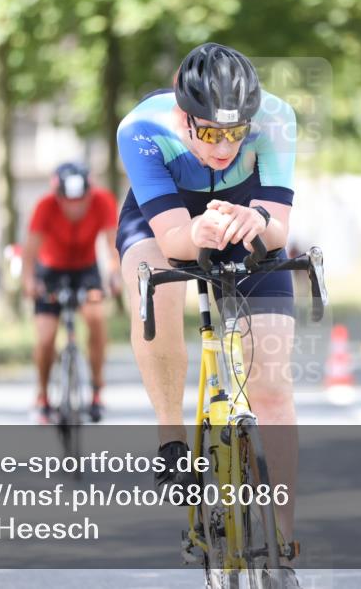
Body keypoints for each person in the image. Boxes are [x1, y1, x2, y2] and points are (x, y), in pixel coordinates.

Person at [116, 43, 300, 585]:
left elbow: (279, 228)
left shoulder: (277, 119)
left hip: (246, 216)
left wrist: (254, 220)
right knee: (158, 286)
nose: (224, 146)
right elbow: (173, 239)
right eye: (210, 132)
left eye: (236, 132)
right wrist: (195, 233)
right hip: (165, 217)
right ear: (182, 115)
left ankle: (284, 543)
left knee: (271, 384)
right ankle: (170, 435)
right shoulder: (142, 129)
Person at [22, 162, 120, 424]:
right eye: (68, 201)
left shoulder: (103, 201)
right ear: (58, 196)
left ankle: (97, 390)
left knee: (97, 317)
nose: (75, 207)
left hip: (85, 270)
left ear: (90, 192)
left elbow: (114, 247)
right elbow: (29, 253)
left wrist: (114, 274)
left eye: (81, 200)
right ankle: (43, 397)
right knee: (45, 338)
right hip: (50, 270)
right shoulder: (45, 206)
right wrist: (29, 281)